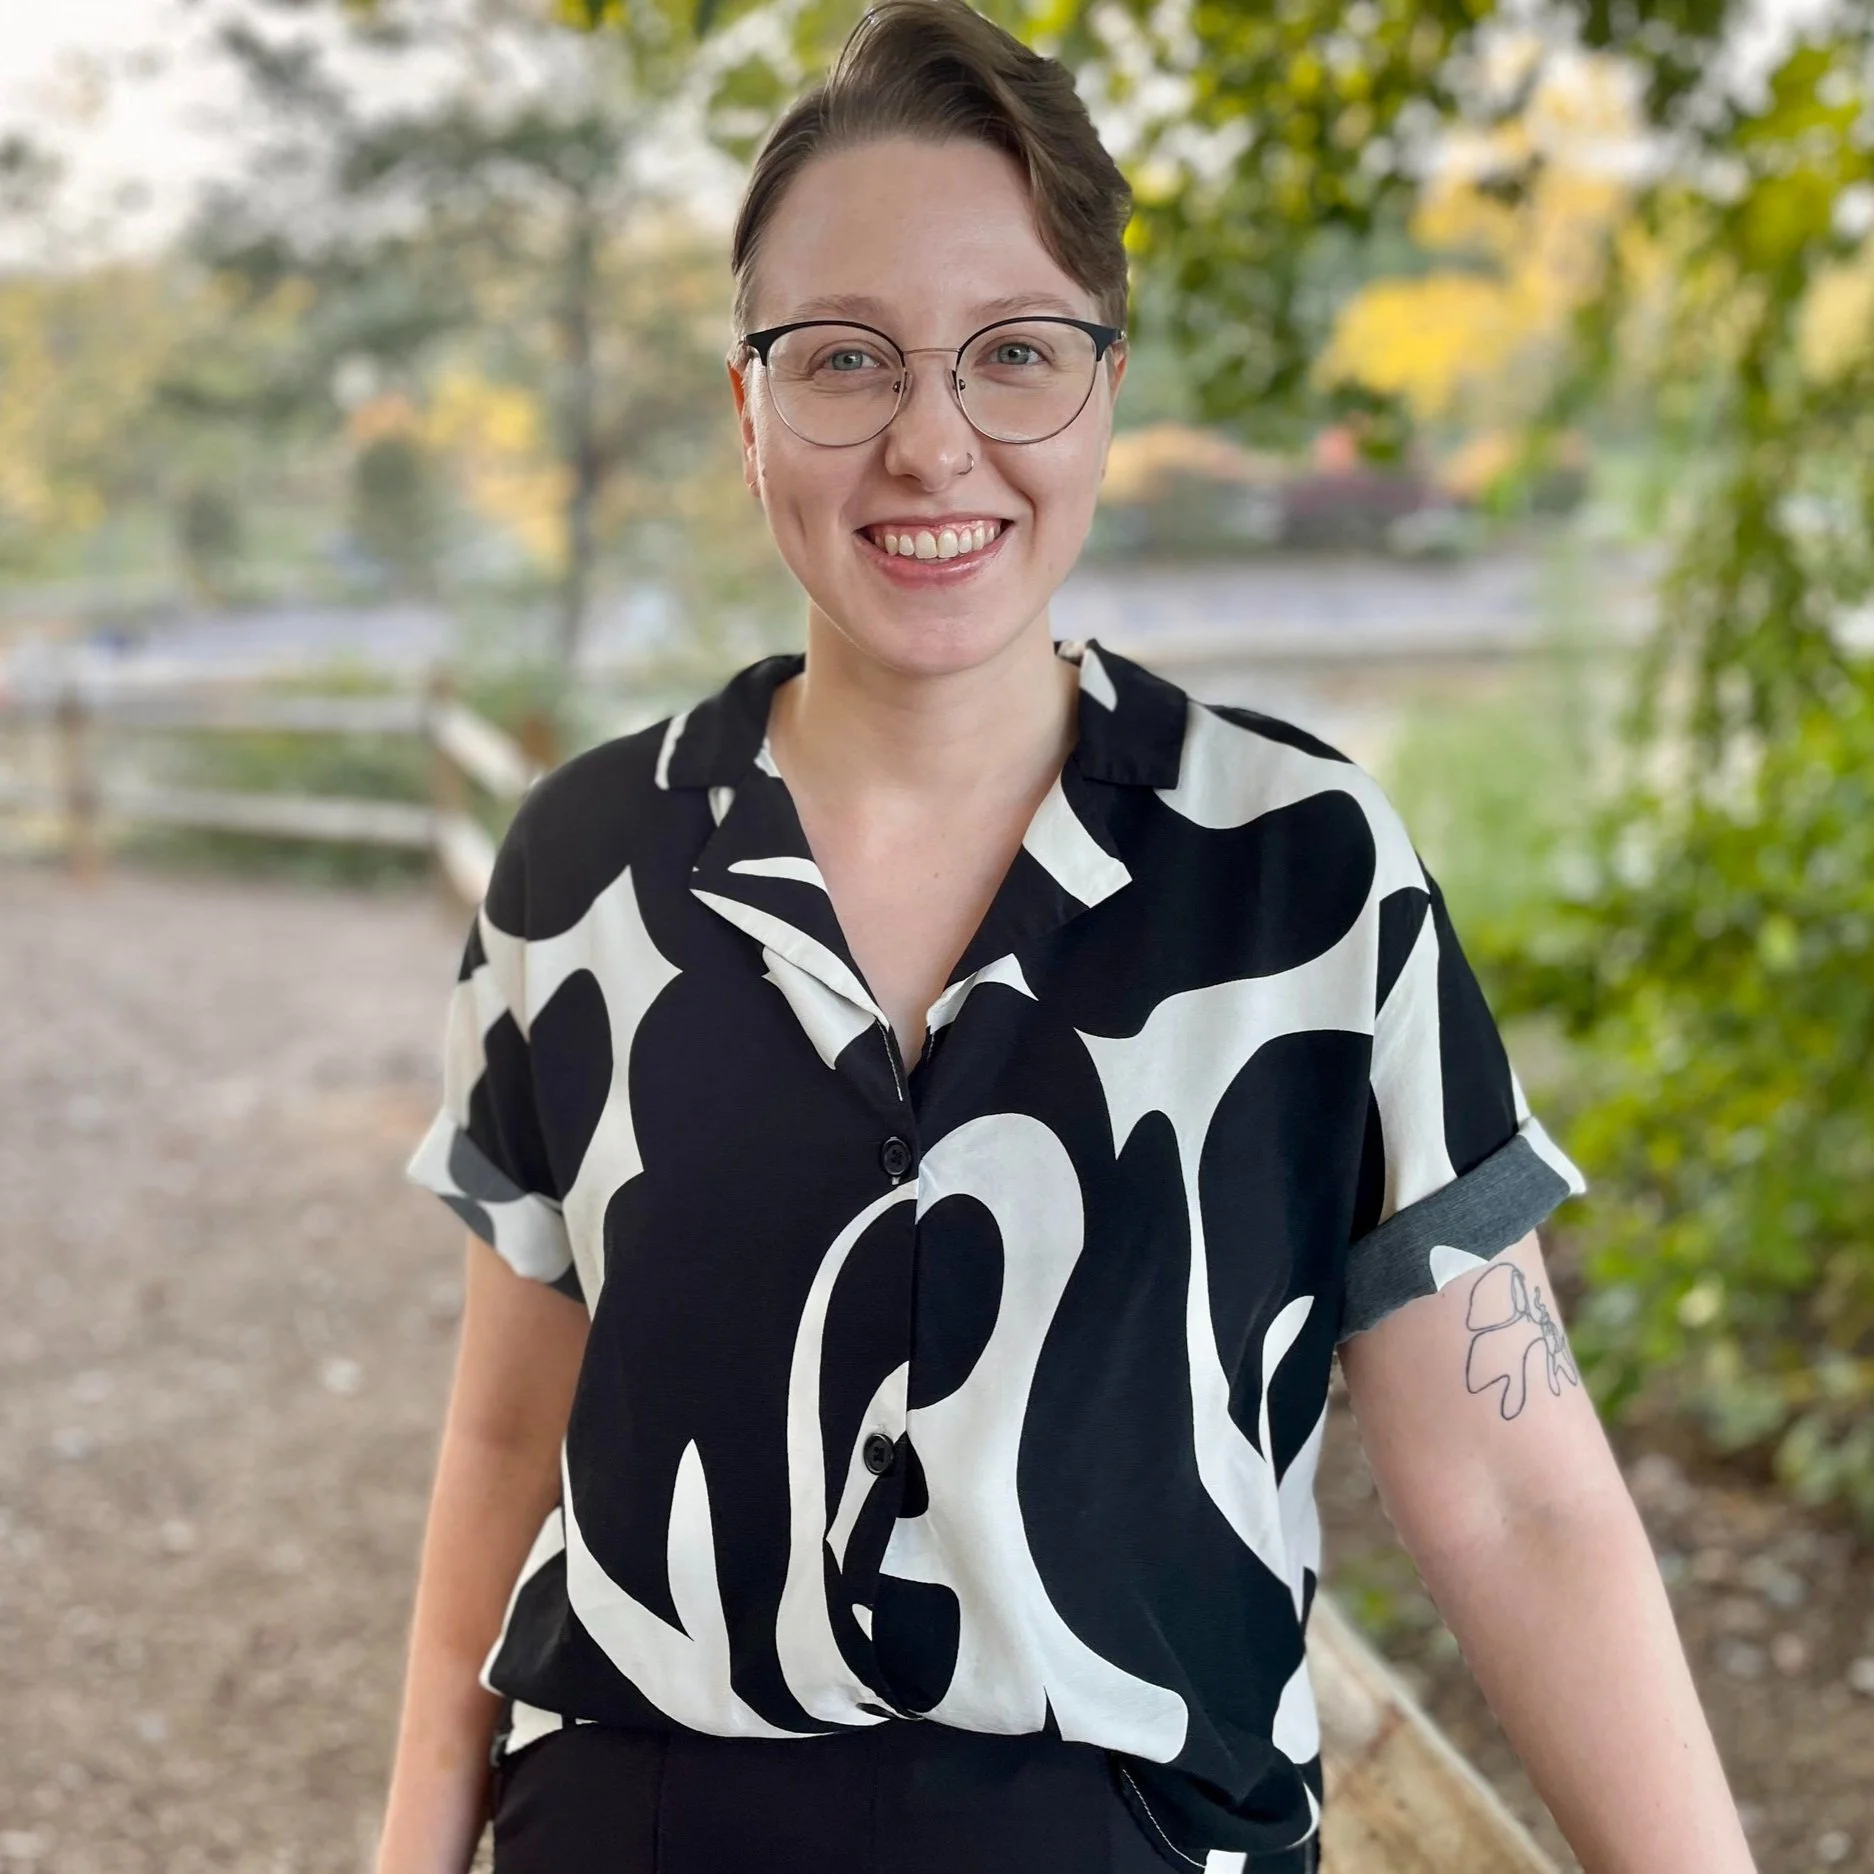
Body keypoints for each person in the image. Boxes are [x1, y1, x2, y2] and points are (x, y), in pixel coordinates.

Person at [376, 4, 1760, 1871]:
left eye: (1013, 353)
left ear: (1104, 384)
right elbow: (497, 1445)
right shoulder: (582, 866)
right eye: (843, 359)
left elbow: (1517, 1495)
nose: (931, 442)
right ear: (746, 400)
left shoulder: (1300, 874)